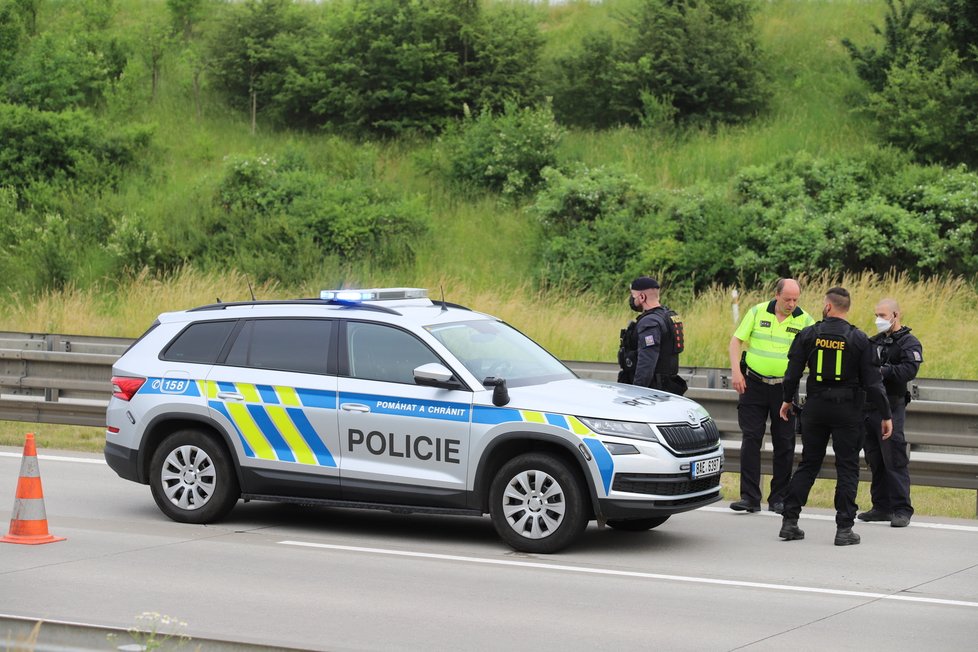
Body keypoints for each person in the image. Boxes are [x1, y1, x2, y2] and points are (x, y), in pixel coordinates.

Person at [777, 286, 893, 546]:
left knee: (809, 463)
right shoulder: (859, 339)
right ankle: (844, 529)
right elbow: (874, 384)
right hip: (848, 410)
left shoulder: (809, 334)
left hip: (815, 408)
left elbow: (792, 373)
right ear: (846, 308)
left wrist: (787, 400)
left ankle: (789, 522)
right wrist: (886, 414)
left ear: (828, 306)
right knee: (848, 466)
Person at [728, 278, 815, 514]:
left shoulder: (805, 319)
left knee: (784, 443)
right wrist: (736, 372)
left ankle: (778, 498)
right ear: (776, 295)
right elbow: (736, 341)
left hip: (785, 389)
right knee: (751, 438)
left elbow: (814, 352)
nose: (791, 303)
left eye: (796, 299)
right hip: (753, 384)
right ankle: (749, 497)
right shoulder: (757, 312)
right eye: (787, 299)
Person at [858, 298, 923, 528]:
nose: (878, 320)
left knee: (894, 458)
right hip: (869, 407)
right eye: (876, 315)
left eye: (883, 316)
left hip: (892, 407)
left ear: (896, 315)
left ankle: (901, 509)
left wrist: (883, 371)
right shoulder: (873, 342)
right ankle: (881, 506)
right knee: (874, 458)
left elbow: (909, 370)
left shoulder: (909, 343)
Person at [618, 276, 687, 395]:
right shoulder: (668, 316)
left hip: (652, 391)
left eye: (633, 296)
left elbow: (647, 362)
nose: (631, 300)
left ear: (642, 297)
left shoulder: (650, 322)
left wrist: (636, 393)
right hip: (666, 387)